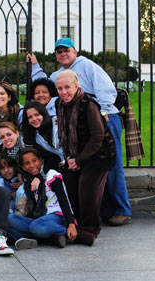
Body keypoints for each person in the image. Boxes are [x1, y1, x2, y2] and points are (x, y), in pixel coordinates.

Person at [28, 37, 131, 226]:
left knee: (112, 164)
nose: (63, 54)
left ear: (75, 51)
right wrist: (35, 66)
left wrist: (104, 110)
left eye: (66, 50)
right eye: (59, 52)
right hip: (82, 120)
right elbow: (44, 86)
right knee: (93, 165)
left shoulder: (87, 66)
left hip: (106, 116)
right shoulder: (60, 74)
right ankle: (105, 210)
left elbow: (105, 89)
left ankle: (122, 209)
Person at [55, 70, 116, 245]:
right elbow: (64, 134)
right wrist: (70, 159)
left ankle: (90, 229)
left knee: (87, 189)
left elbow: (97, 135)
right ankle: (76, 226)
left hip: (99, 155)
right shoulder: (60, 104)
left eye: (67, 87)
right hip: (76, 155)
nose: (64, 91)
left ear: (76, 86)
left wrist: (79, 160)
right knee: (70, 188)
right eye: (59, 88)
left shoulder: (88, 104)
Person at [8, 147, 77, 249]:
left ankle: (67, 232)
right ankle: (52, 238)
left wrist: (71, 223)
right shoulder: (29, 183)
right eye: (27, 163)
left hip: (58, 216)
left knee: (35, 226)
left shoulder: (51, 175)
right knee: (10, 219)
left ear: (40, 161)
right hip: (41, 220)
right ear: (23, 167)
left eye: (34, 160)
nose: (31, 165)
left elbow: (63, 199)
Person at [21, 101, 65, 169]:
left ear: (43, 114)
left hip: (75, 159)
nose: (34, 119)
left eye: (36, 115)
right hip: (61, 165)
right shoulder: (35, 136)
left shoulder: (57, 123)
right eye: (30, 117)